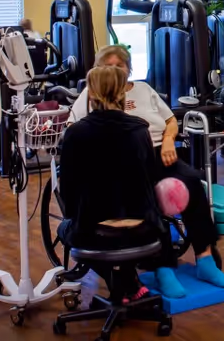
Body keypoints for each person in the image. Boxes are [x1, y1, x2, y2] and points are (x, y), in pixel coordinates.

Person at [70, 45, 224, 297]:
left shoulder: (145, 90)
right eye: (108, 66)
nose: (115, 70)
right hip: (125, 162)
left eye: (120, 65)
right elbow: (76, 130)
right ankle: (163, 267)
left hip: (159, 151)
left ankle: (205, 258)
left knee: (192, 182)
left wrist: (169, 140)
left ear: (129, 68)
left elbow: (169, 121)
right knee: (147, 197)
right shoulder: (92, 93)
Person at [58, 65, 165, 302]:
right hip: (144, 230)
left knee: (65, 228)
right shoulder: (140, 129)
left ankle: (122, 284)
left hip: (95, 234)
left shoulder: (76, 133)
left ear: (92, 94)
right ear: (123, 93)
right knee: (115, 228)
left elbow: (67, 194)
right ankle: (129, 283)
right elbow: (150, 179)